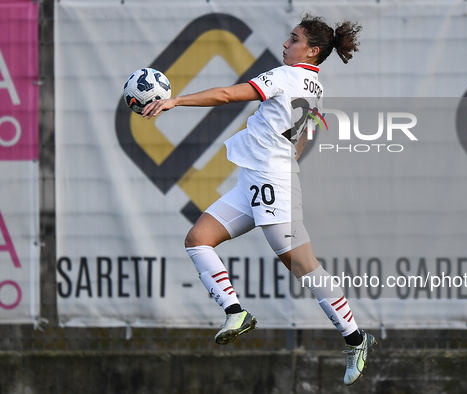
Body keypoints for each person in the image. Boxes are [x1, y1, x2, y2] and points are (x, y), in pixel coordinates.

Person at [143, 14, 375, 386]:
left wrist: (176, 102)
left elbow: (226, 95)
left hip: (271, 183)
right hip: (254, 180)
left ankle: (356, 338)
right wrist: (289, 147)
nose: (286, 43)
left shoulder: (285, 77)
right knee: (198, 238)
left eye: (294, 39)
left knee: (304, 267)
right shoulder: (314, 85)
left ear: (312, 50)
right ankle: (235, 311)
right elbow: (309, 128)